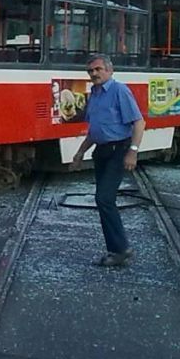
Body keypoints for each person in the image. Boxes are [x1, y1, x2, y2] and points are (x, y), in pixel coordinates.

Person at [72, 53, 146, 267]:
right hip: (101, 151)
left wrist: (133, 151)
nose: (94, 74)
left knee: (104, 198)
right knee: (104, 200)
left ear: (109, 71)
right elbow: (94, 131)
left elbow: (139, 122)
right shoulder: (94, 93)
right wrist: (80, 153)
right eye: (90, 71)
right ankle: (117, 249)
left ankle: (120, 249)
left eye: (98, 69)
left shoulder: (119, 90)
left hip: (118, 150)